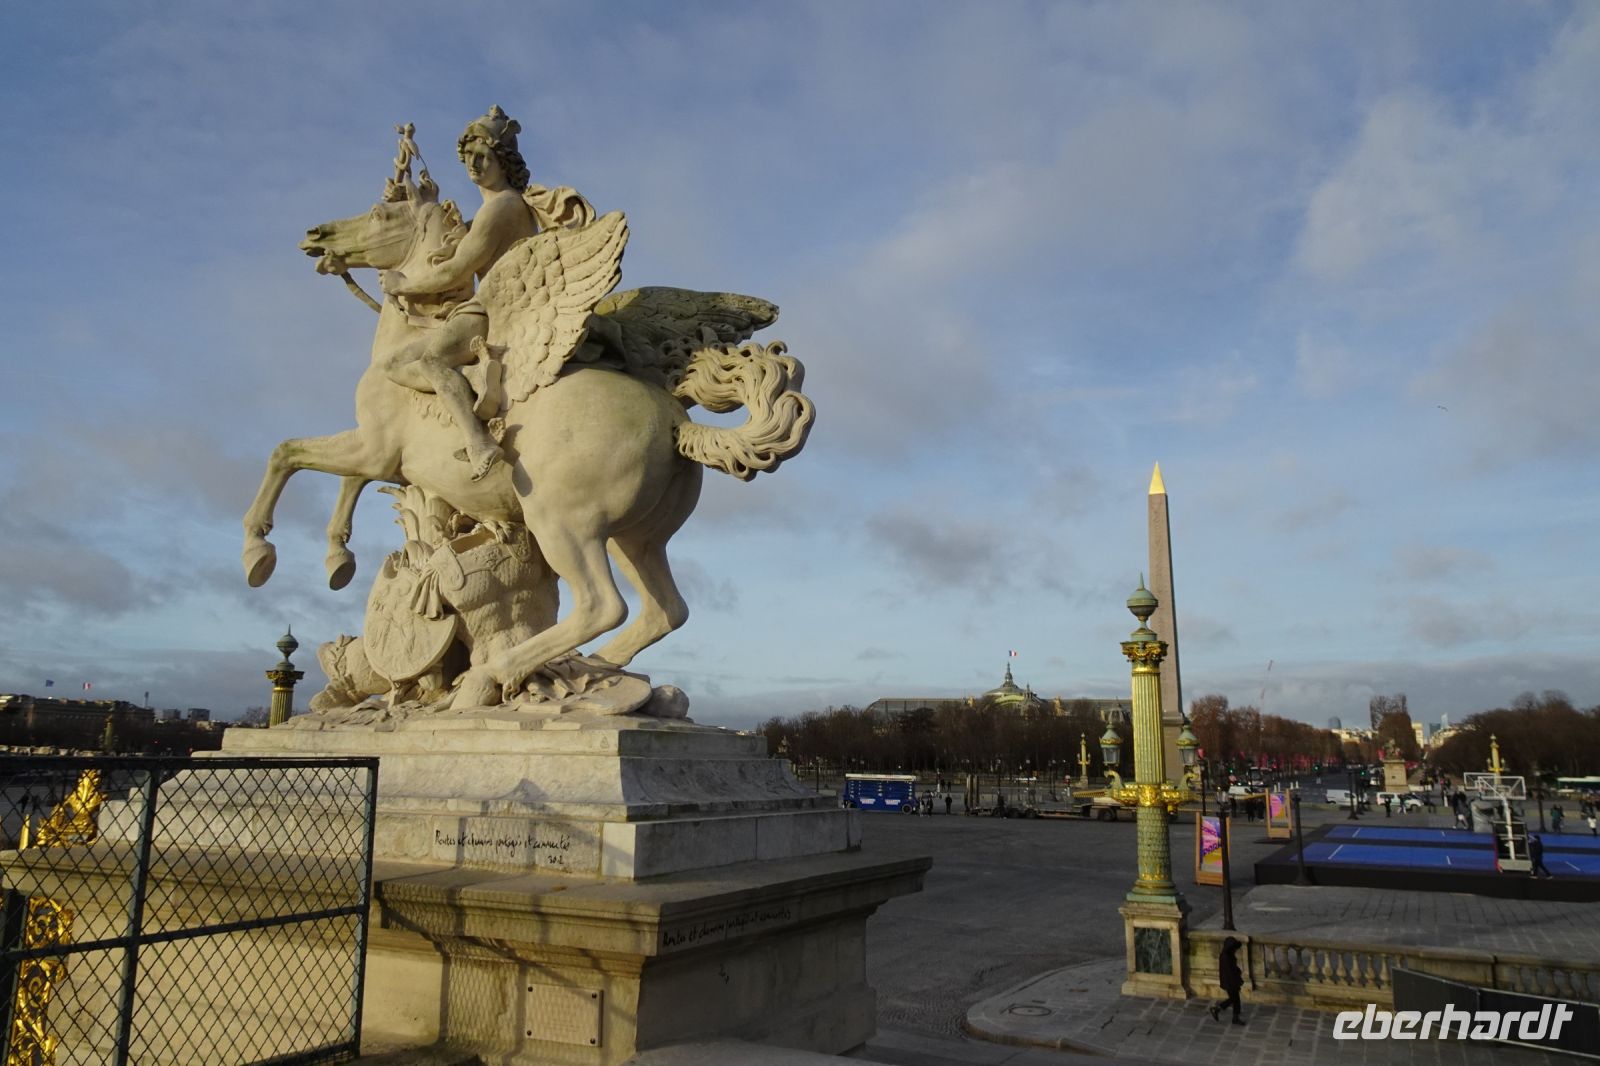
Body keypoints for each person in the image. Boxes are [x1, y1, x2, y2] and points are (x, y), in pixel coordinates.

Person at [379, 106, 542, 481]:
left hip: (494, 309)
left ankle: (478, 441)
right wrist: (422, 202)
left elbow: (457, 269)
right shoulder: (490, 209)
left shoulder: (503, 207)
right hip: (486, 306)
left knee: (433, 360)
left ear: (504, 162)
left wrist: (404, 285)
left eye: (484, 157)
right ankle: (468, 383)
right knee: (391, 363)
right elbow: (446, 238)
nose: (474, 165)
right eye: (469, 158)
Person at [1209, 936, 1246, 1025]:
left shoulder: (1226, 955)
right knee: (1234, 999)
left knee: (1234, 999)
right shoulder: (1226, 956)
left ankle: (1234, 1016)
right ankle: (1218, 1010)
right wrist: (1237, 981)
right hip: (1230, 982)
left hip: (1230, 981)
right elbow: (1230, 971)